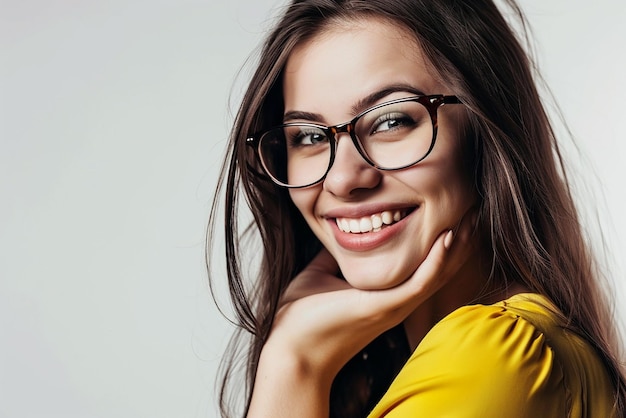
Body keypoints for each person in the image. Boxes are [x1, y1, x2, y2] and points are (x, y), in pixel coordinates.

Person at [208, 0, 626, 416]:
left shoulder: (492, 357)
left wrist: (295, 361)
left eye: (391, 121)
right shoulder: (443, 363)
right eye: (309, 137)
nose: (342, 179)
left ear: (487, 130)